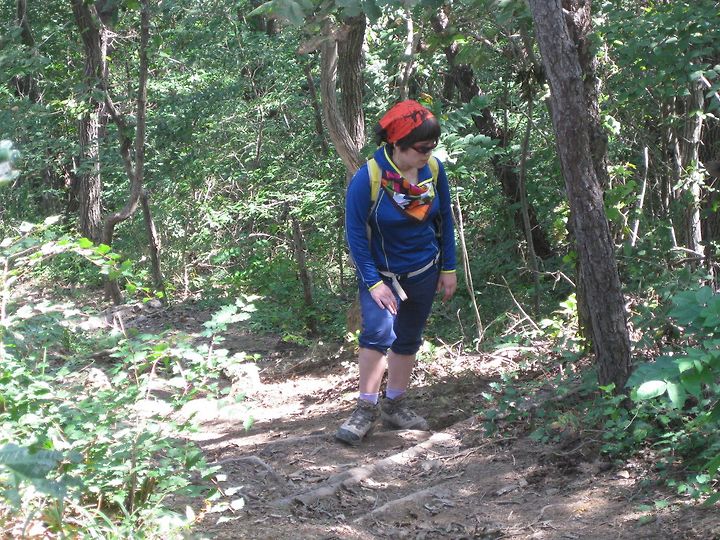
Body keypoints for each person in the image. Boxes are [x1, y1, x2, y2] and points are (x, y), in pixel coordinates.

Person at [336, 99, 457, 445]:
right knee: (376, 337)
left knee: (408, 338)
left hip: (424, 271)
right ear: (398, 144)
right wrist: (373, 283)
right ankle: (365, 410)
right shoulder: (369, 178)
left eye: (433, 146)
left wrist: (448, 268)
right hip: (382, 276)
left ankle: (395, 405)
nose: (429, 153)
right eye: (422, 147)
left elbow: (444, 219)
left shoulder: (433, 170)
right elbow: (355, 234)